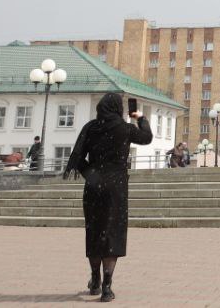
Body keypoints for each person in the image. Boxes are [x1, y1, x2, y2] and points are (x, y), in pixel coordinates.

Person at [64, 93, 153, 302]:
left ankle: (94, 279)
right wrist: (140, 118)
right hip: (116, 188)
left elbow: (77, 157)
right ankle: (107, 286)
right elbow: (147, 138)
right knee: (113, 232)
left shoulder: (91, 127)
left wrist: (92, 176)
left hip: (94, 187)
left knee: (94, 231)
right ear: (117, 108)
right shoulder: (125, 128)